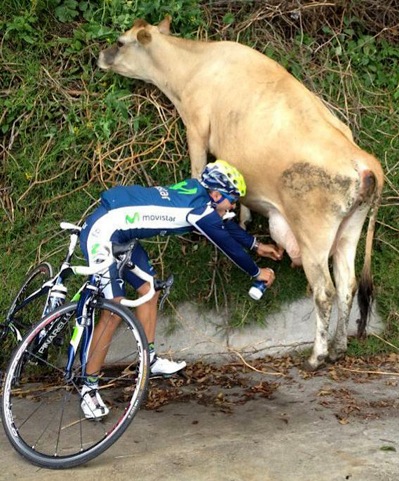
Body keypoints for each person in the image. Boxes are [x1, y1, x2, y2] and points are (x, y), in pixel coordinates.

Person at [79, 160, 284, 418]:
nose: (234, 206)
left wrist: (255, 245)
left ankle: (148, 359)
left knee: (149, 290)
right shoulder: (198, 211)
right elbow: (226, 244)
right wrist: (257, 272)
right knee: (113, 309)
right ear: (217, 194)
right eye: (232, 200)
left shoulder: (199, 190)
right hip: (104, 231)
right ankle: (88, 388)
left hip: (124, 234)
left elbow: (224, 224)